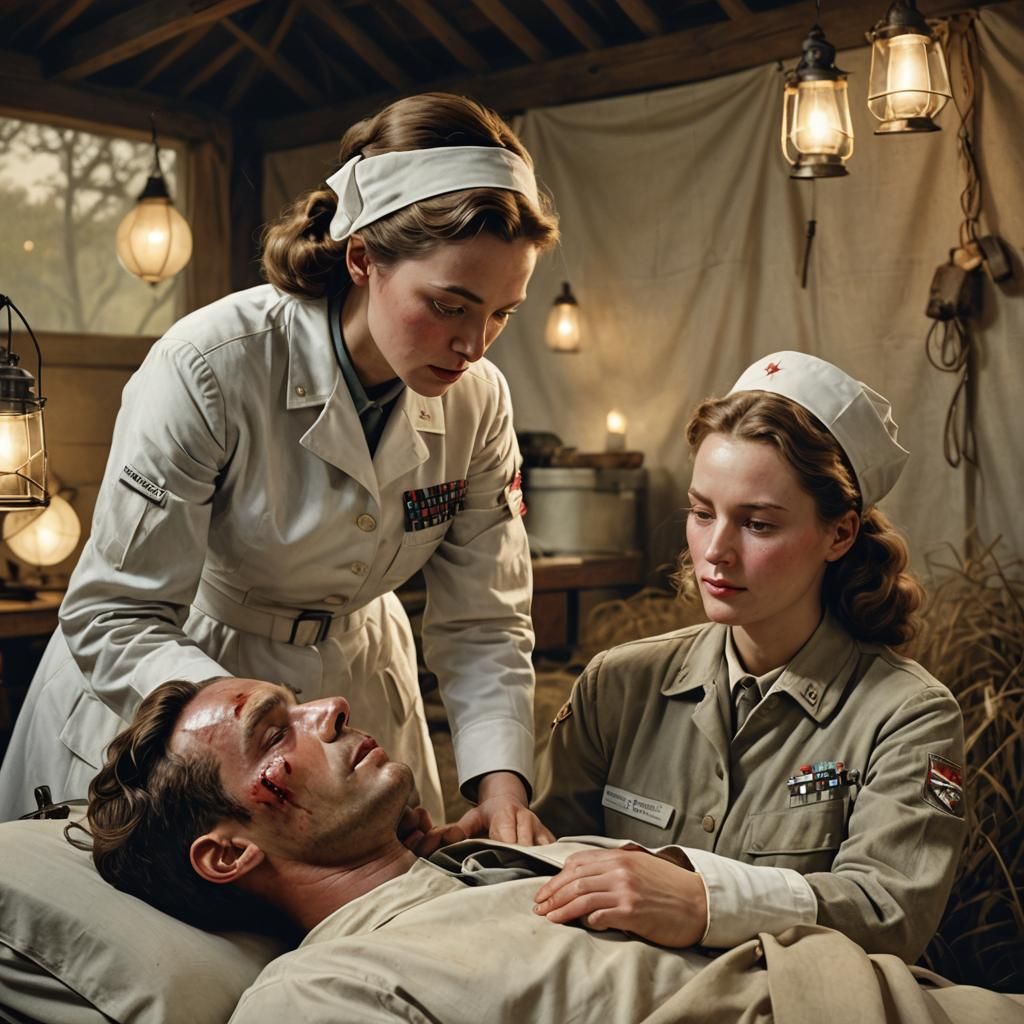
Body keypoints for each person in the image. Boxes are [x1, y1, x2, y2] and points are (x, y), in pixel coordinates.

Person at [0, 92, 558, 842]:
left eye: (501, 312)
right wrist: (267, 730)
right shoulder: (209, 367)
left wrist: (501, 788)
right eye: (449, 305)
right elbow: (113, 615)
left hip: (359, 677)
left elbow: (486, 620)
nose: (474, 345)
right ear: (362, 258)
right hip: (186, 682)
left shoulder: (479, 400)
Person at [74, 676, 1011, 1024]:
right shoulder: (322, 993)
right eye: (276, 731)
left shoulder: (503, 859)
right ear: (227, 855)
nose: (333, 707)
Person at [532, 351, 967, 963]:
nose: (716, 550)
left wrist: (705, 902)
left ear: (840, 534)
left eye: (757, 524)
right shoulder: (617, 685)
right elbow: (542, 866)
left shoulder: (909, 717)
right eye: (701, 513)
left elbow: (888, 913)